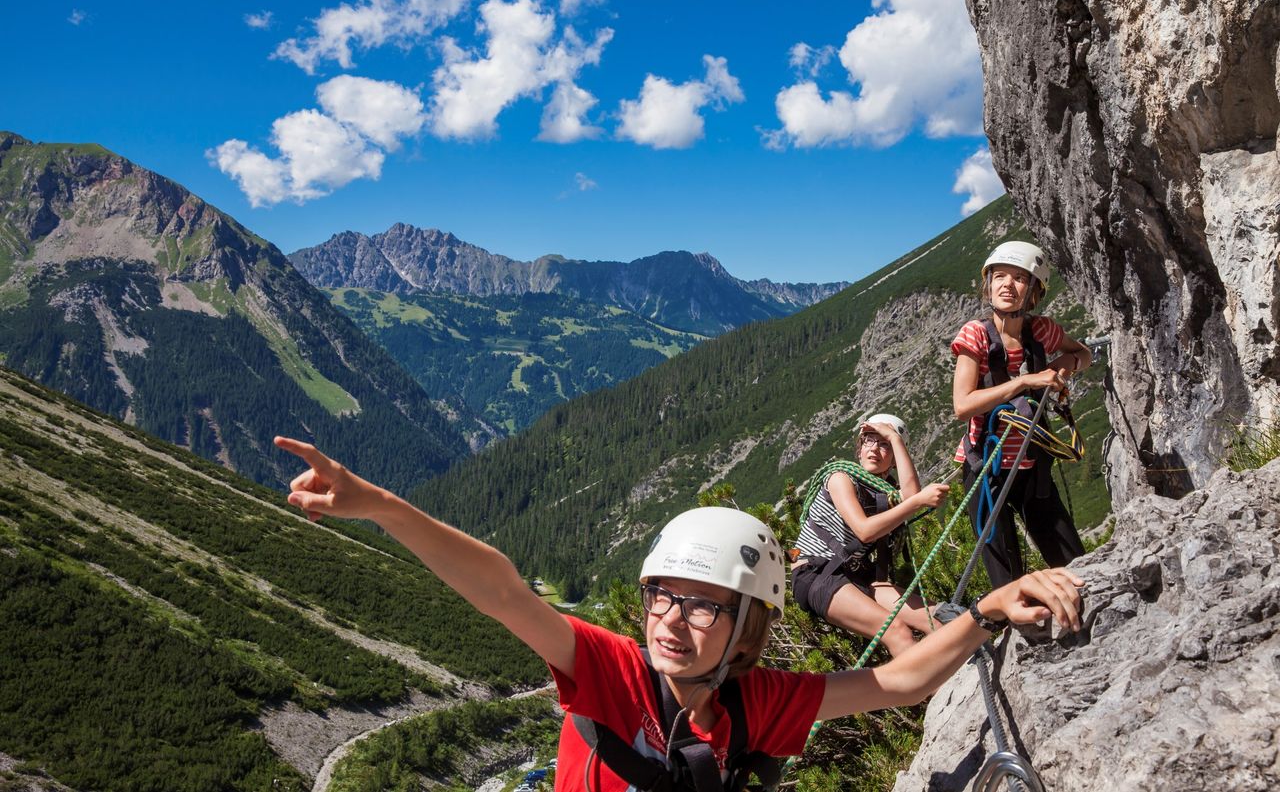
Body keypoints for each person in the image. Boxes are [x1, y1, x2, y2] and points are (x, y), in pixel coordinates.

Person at [274, 435, 1083, 792]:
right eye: (660, 594)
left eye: (700, 605)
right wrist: (381, 507)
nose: (667, 618)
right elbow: (503, 591)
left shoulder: (757, 700)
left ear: (746, 627)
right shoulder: (610, 671)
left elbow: (900, 681)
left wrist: (988, 610)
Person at [952, 240, 1093, 589]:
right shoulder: (975, 334)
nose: (1007, 285)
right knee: (1007, 581)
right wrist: (1026, 381)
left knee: (1075, 565)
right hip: (986, 467)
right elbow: (963, 405)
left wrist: (1062, 369)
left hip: (1033, 464)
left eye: (1018, 278)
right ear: (988, 285)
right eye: (999, 276)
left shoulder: (1042, 331)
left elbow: (1083, 353)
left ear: (1033, 291)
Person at [791, 414, 950, 655]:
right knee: (897, 632)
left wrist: (895, 439)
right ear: (860, 449)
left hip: (853, 574)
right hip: (816, 572)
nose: (874, 449)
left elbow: (911, 495)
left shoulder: (885, 492)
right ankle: (924, 681)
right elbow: (864, 530)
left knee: (937, 620)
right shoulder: (840, 478)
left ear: (894, 459)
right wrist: (917, 501)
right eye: (868, 441)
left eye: (883, 444)